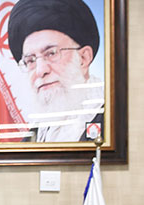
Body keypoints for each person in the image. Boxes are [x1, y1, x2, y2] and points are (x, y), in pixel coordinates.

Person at [7, 0, 103, 142]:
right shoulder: (32, 137)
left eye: (51, 53)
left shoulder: (115, 120)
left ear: (83, 58)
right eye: (31, 60)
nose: (40, 71)